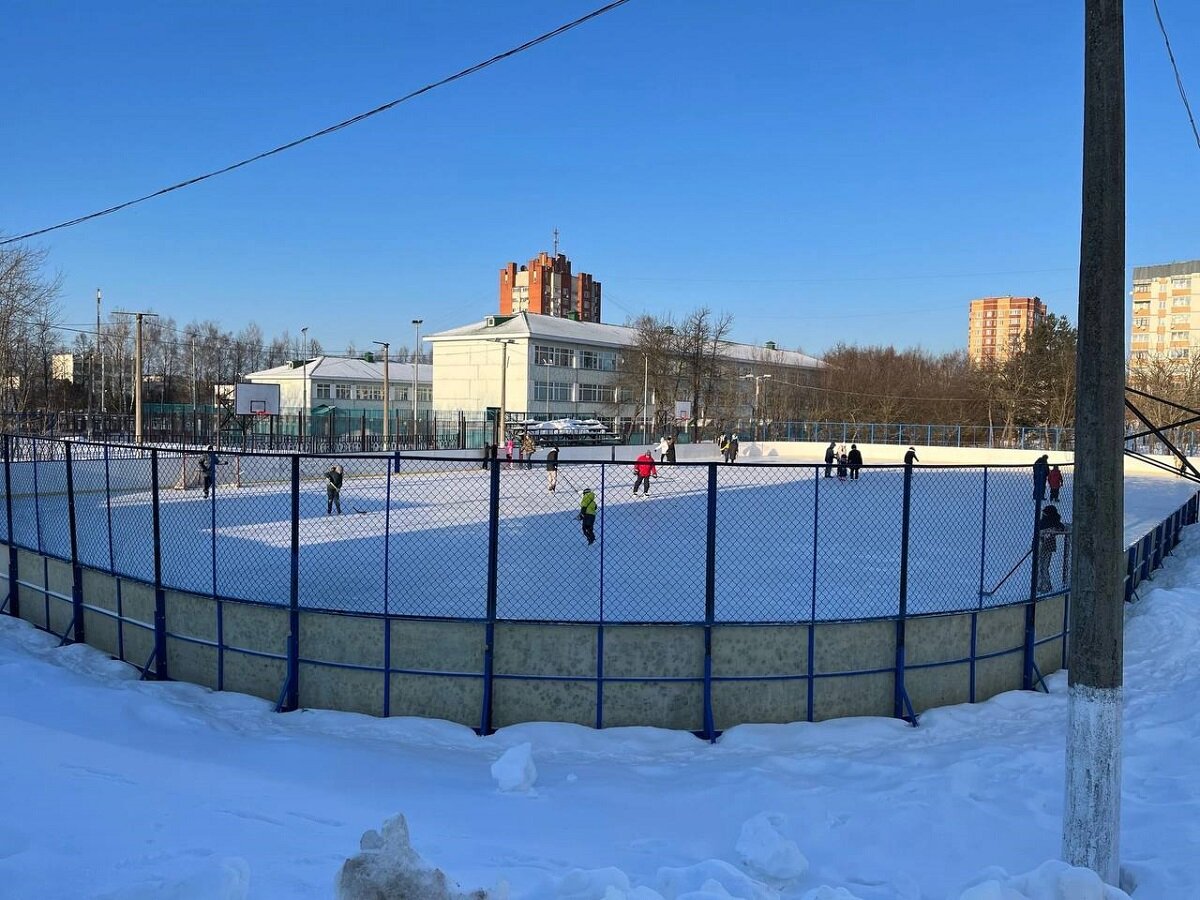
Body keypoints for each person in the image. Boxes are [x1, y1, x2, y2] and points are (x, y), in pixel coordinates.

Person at [1036, 504, 1069, 592]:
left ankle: (1042, 585)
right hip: (1049, 546)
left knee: (1040, 566)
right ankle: (1045, 585)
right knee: (1044, 567)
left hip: (1042, 546)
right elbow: (1062, 528)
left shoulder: (1044, 522)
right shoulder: (1055, 521)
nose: (1043, 514)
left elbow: (1038, 533)